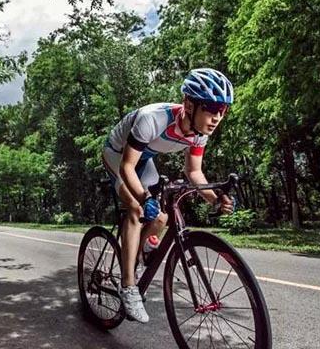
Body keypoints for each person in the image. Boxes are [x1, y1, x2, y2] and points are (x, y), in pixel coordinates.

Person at [101, 68, 236, 323]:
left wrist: (215, 199)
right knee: (137, 210)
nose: (217, 116)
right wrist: (143, 198)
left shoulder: (199, 134)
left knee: (161, 219)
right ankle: (129, 287)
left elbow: (194, 173)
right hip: (118, 155)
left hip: (145, 159)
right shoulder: (152, 119)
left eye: (223, 110)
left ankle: (139, 251)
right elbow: (126, 167)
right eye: (211, 107)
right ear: (189, 104)